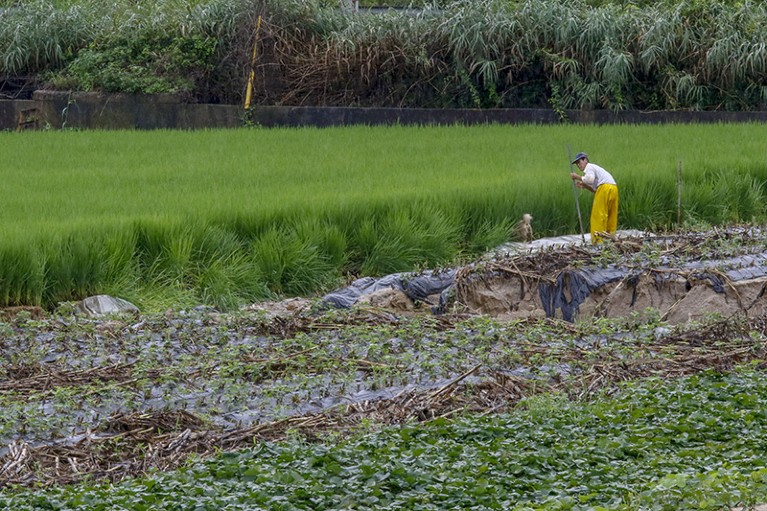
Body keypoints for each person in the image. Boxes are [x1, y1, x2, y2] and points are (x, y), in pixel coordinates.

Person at [570, 152, 618, 244]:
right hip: (613, 188)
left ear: (585, 160)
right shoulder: (596, 170)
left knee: (598, 215)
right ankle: (610, 238)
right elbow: (595, 190)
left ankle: (597, 241)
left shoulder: (589, 167)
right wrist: (585, 185)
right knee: (611, 215)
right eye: (577, 164)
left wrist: (577, 177)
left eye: (579, 162)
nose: (579, 165)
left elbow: (590, 180)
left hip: (604, 188)